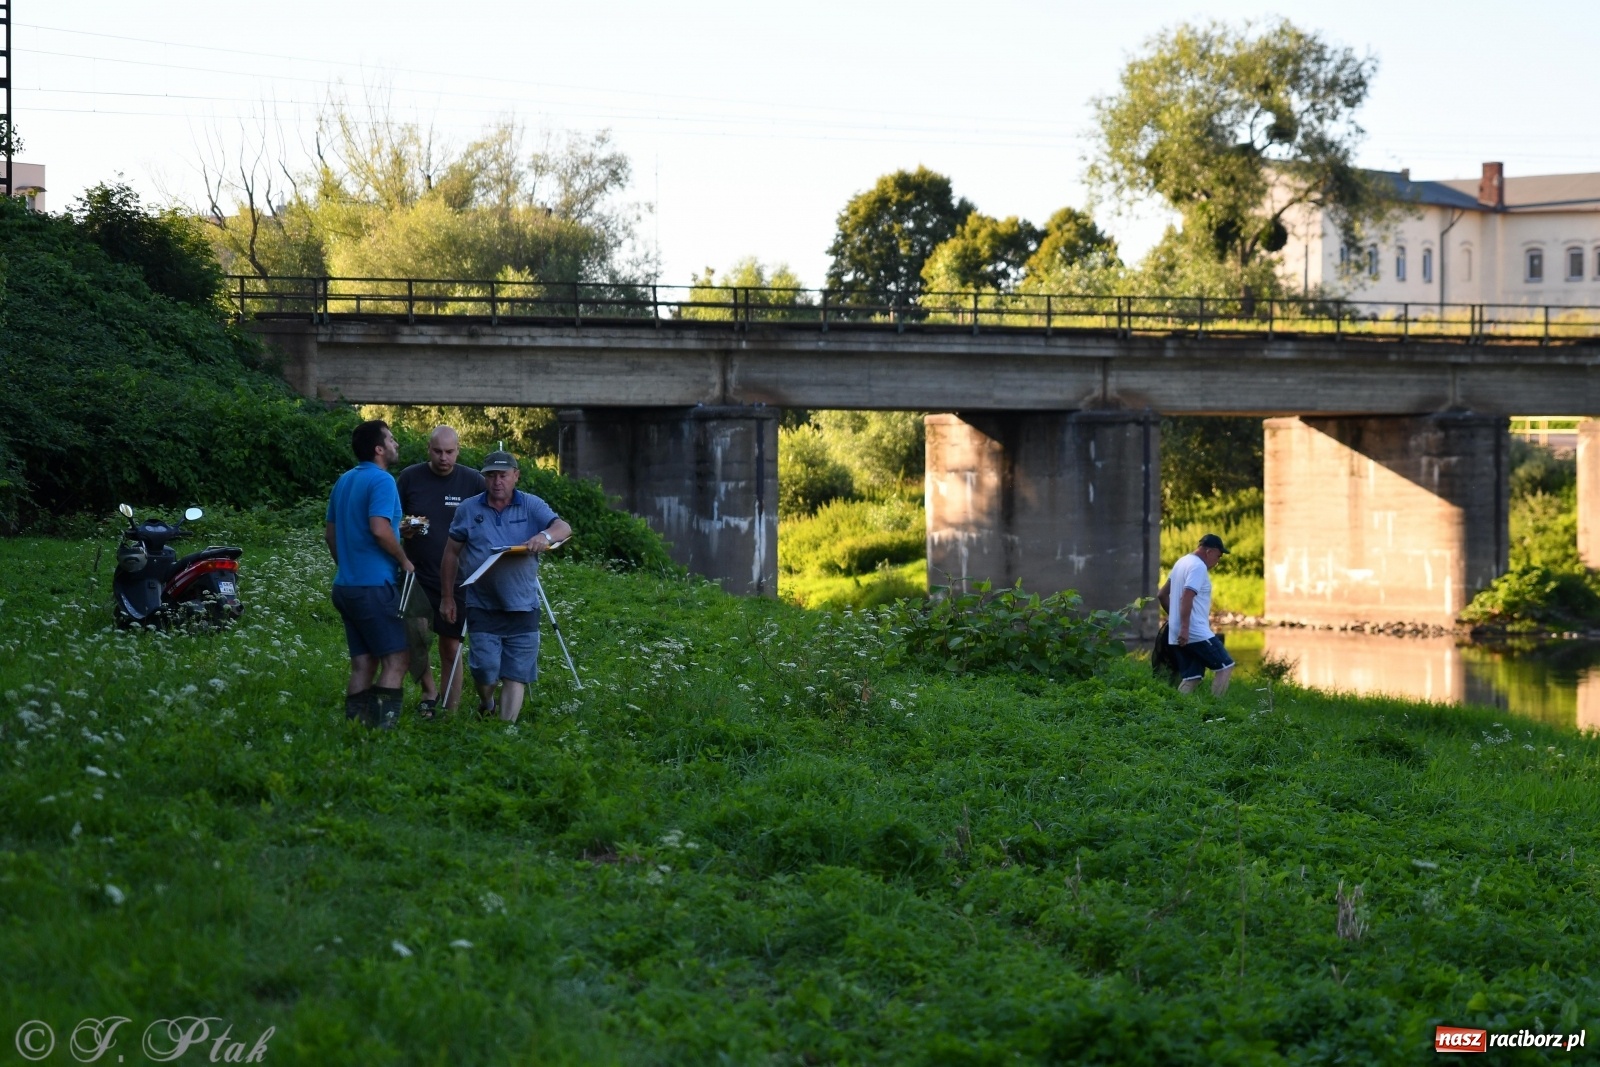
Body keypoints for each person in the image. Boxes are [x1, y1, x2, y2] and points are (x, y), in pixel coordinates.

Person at [439, 451, 572, 723]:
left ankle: (505, 732)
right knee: (485, 670)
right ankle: (487, 702)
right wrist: (447, 597)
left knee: (516, 673)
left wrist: (544, 536)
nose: (497, 481)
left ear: (516, 476)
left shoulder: (531, 505)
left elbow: (563, 527)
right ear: (484, 478)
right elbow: (451, 553)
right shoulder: (469, 509)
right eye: (491, 476)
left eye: (503, 475)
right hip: (482, 604)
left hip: (523, 604)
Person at [325, 419, 414, 729]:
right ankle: (380, 731)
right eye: (391, 439)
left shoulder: (344, 480)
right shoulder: (382, 480)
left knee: (363, 663)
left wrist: (349, 566)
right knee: (397, 660)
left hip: (345, 586)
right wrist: (404, 559)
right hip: (375, 586)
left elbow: (330, 535)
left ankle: (355, 729)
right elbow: (379, 528)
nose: (395, 444)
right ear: (379, 449)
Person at [397, 425, 486, 718]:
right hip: (417, 575)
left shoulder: (473, 481)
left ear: (458, 450)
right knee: (416, 639)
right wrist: (408, 527)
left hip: (457, 579)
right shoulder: (409, 477)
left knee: (451, 646)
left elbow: (490, 516)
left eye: (449, 452)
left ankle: (450, 710)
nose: (443, 458)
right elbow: (392, 520)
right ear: (428, 449)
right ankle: (429, 692)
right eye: (437, 451)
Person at [1157, 533, 1235, 696]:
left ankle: (1176, 708)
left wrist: (1176, 620)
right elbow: (1187, 595)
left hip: (1179, 630)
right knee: (1225, 666)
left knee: (1192, 677)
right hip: (1193, 630)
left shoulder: (1182, 562)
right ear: (1209, 551)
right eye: (1218, 556)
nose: (1218, 561)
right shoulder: (1198, 567)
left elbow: (1162, 595)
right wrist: (1185, 627)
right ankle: (1215, 707)